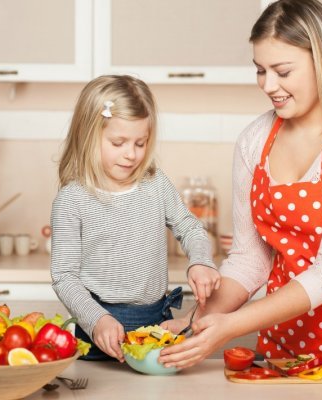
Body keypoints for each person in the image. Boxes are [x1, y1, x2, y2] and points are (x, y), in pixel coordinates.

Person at [159, 0, 322, 369]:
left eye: (282, 71)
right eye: (260, 70)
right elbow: (250, 259)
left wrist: (230, 326)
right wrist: (192, 323)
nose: (268, 85)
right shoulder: (254, 140)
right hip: (286, 345)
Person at [50, 75, 220, 362]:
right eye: (118, 142)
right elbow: (64, 277)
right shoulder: (72, 199)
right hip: (97, 333)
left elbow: (190, 227)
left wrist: (201, 261)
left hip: (155, 328)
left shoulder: (155, 184)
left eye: (140, 143)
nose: (131, 155)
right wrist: (97, 320)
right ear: (88, 134)